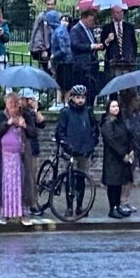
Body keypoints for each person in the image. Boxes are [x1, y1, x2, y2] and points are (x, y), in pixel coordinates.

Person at [0, 93, 37, 226]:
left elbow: (33, 133)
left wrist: (25, 126)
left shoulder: (26, 115)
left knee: (22, 186)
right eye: (11, 103)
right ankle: (6, 214)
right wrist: (8, 123)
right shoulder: (1, 116)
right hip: (4, 158)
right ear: (6, 104)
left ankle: (24, 214)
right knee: (6, 186)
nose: (14, 106)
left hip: (20, 158)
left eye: (16, 103)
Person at [55, 85, 99, 218]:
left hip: (84, 150)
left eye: (82, 98)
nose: (80, 100)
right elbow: (60, 132)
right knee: (70, 180)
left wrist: (92, 144)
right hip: (71, 151)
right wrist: (66, 145)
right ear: (72, 98)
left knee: (82, 180)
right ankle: (69, 206)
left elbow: (95, 130)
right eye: (78, 97)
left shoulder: (88, 112)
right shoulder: (66, 112)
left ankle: (79, 206)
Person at [100, 99, 133, 219]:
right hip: (112, 158)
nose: (116, 108)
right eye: (113, 106)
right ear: (109, 108)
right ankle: (112, 208)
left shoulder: (121, 122)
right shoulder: (107, 123)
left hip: (122, 158)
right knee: (112, 184)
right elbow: (111, 141)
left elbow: (128, 136)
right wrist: (123, 154)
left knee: (119, 183)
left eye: (117, 106)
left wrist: (130, 151)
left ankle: (118, 206)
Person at [70, 9, 103, 104]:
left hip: (91, 64)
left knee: (92, 89)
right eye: (90, 20)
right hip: (81, 65)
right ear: (83, 18)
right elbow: (75, 45)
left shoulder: (89, 30)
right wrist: (92, 46)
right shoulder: (75, 30)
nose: (91, 23)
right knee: (84, 89)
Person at [21, 91, 46, 215]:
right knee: (26, 177)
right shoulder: (20, 113)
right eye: (29, 99)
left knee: (34, 177)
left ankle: (34, 202)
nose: (31, 101)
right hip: (23, 148)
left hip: (33, 148)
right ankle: (27, 202)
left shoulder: (32, 113)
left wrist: (36, 110)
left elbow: (42, 124)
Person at [100, 5, 138, 78]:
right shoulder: (107, 28)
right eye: (117, 12)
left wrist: (133, 57)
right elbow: (102, 46)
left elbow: (134, 44)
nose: (120, 14)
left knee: (127, 85)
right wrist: (108, 40)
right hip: (114, 62)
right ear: (112, 14)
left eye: (121, 12)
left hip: (127, 62)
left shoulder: (129, 27)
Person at [48, 12, 73, 109]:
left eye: (67, 20)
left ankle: (61, 103)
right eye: (63, 20)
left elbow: (64, 50)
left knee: (62, 83)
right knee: (62, 82)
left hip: (63, 61)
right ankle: (62, 103)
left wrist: (54, 56)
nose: (65, 22)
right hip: (65, 61)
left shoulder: (60, 31)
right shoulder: (62, 31)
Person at [29, 0, 57, 70]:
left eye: (52, 4)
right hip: (45, 49)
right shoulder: (41, 17)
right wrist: (42, 50)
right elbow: (38, 35)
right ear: (45, 5)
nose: (50, 6)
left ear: (55, 5)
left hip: (56, 49)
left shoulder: (58, 16)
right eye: (48, 4)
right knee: (46, 72)